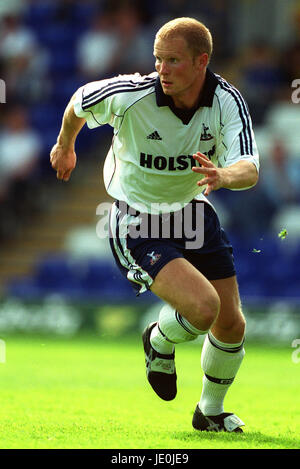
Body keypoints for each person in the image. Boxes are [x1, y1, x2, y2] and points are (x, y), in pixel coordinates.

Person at [50, 17, 259, 433]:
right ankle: (159, 341)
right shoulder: (131, 94)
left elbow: (249, 168)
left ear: (201, 62)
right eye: (158, 59)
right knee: (203, 309)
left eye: (173, 61)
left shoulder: (227, 102)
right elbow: (78, 102)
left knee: (231, 321)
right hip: (137, 218)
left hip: (191, 210)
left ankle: (210, 411)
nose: (162, 69)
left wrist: (223, 175)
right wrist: (64, 144)